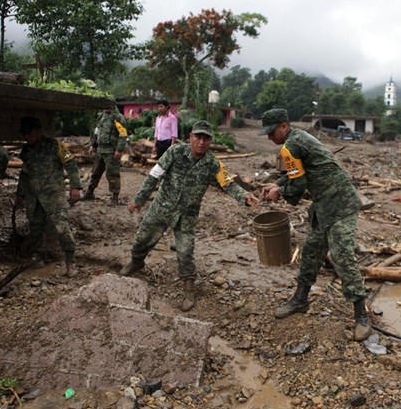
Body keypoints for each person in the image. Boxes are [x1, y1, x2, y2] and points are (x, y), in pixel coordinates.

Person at [120, 120, 259, 311]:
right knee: (142, 239)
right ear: (191, 137)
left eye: (206, 138)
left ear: (210, 141)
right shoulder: (174, 153)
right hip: (161, 207)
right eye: (198, 137)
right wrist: (139, 199)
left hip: (187, 215)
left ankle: (188, 287)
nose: (201, 142)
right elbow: (154, 175)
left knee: (185, 251)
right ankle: (136, 263)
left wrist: (244, 196)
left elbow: (228, 183)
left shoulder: (213, 164)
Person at [259, 108, 372, 341]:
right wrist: (277, 183)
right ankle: (300, 300)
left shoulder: (290, 146)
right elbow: (296, 172)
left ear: (283, 126)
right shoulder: (298, 139)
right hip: (324, 206)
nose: (270, 137)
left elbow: (298, 186)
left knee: (341, 256)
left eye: (272, 132)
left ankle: (361, 314)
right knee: (311, 251)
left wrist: (279, 192)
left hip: (341, 205)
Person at [16, 117, 83, 278]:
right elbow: (24, 173)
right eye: (24, 135)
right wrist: (20, 193)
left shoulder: (55, 146)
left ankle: (70, 261)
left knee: (62, 227)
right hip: (34, 196)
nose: (27, 137)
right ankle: (36, 257)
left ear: (38, 131)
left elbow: (71, 164)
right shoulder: (26, 151)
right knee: (35, 226)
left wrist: (75, 186)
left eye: (29, 134)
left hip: (54, 193)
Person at [82, 107, 128, 205]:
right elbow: (97, 131)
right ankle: (90, 192)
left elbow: (123, 134)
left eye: (108, 105)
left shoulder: (118, 117)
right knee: (95, 172)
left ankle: (114, 198)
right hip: (100, 150)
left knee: (112, 174)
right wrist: (93, 145)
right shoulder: (101, 115)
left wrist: (119, 150)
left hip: (111, 150)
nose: (106, 108)